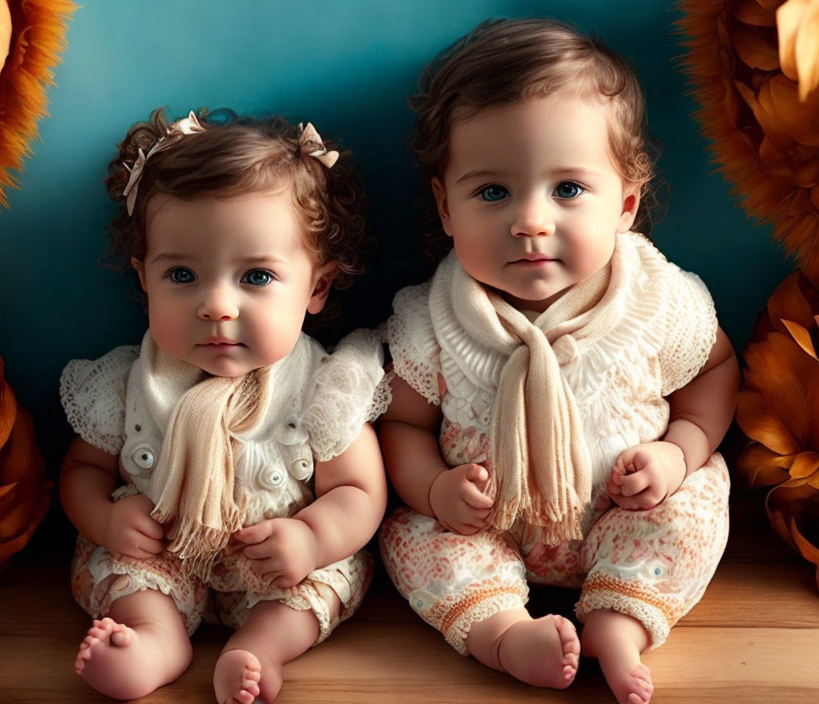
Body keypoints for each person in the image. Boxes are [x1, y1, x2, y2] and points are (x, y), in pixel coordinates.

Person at [378, 18, 739, 704]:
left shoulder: (656, 299)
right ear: (444, 206)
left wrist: (679, 452)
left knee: (697, 502)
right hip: (487, 527)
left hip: (628, 511)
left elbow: (714, 372)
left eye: (568, 189)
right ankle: (506, 632)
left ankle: (619, 618)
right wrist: (434, 491)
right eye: (492, 192)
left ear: (626, 203)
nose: (530, 221)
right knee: (414, 535)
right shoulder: (432, 318)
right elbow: (400, 424)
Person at [59, 108, 388, 704]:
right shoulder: (128, 382)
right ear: (144, 281)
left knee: (322, 584)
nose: (215, 305)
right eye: (182, 274)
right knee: (130, 580)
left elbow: (360, 492)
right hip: (164, 556)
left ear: (316, 286)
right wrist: (105, 520)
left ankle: (261, 647)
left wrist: (311, 539)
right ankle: (155, 639)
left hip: (277, 562)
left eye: (256, 277)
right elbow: (82, 471)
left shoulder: (323, 386)